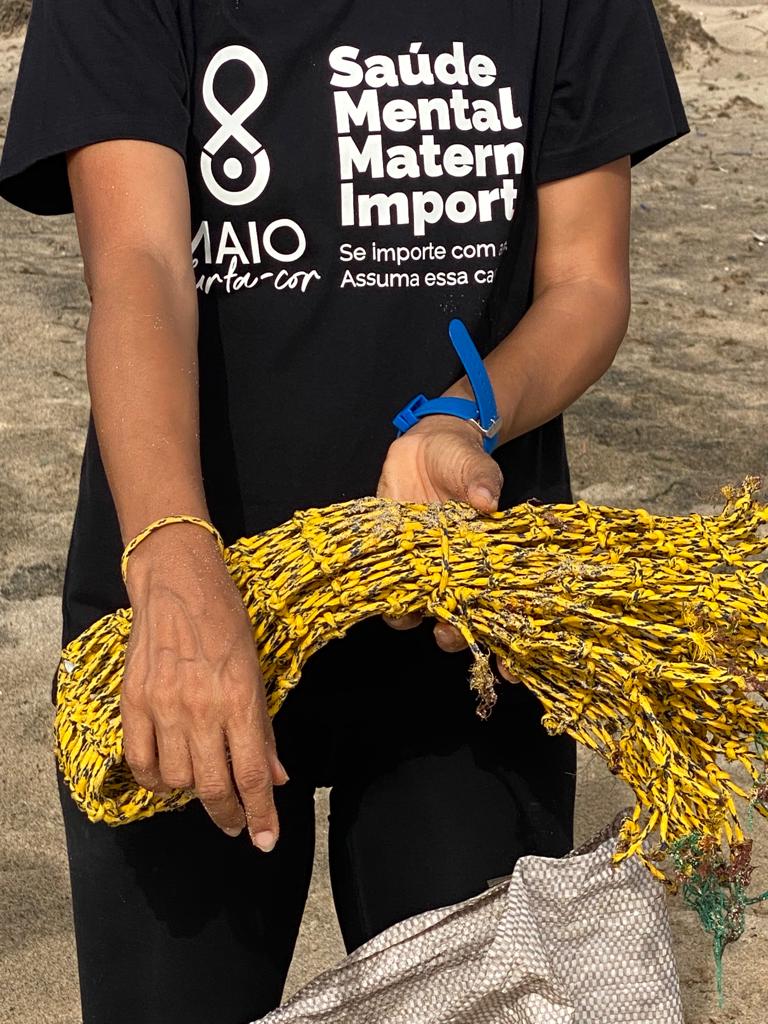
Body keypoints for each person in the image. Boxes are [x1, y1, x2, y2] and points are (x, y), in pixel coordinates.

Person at [0, 1, 689, 1021]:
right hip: (193, 601)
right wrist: (173, 558)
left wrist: (464, 414)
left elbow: (586, 281)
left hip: (463, 619)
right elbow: (140, 262)